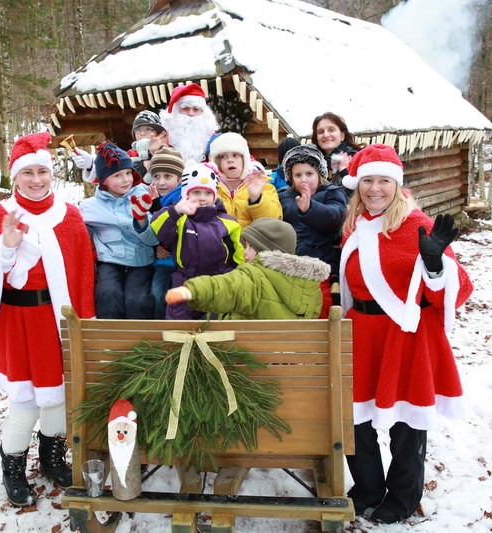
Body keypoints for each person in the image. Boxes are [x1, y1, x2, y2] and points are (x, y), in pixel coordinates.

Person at [0, 132, 96, 508]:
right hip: (17, 322)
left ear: (52, 175)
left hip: (58, 321)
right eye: (27, 173)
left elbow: (84, 270)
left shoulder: (69, 215)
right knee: (26, 400)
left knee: (59, 394)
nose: (36, 180)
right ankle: (13, 465)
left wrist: (84, 320)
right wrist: (4, 247)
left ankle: (52, 458)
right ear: (15, 177)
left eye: (42, 172)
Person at [337, 144, 473, 524]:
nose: (375, 189)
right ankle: (367, 488)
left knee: (405, 425)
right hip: (361, 334)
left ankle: (403, 497)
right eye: (368, 181)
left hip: (404, 336)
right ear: (358, 185)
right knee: (355, 420)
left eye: (384, 181)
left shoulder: (418, 225)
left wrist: (434, 265)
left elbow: (460, 291)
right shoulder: (354, 226)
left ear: (397, 185)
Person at [164, 218, 329, 320]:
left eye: (250, 247)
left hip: (248, 357)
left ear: (265, 252)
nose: (244, 251)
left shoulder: (254, 278)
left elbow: (225, 287)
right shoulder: (310, 287)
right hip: (287, 358)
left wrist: (191, 290)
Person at [150, 162, 243, 319]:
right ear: (186, 194)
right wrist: (176, 211)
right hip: (186, 279)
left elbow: (238, 254)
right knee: (179, 320)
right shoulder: (180, 218)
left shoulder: (228, 222)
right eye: (196, 192)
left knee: (217, 321)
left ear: (214, 195)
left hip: (218, 280)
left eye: (207, 193)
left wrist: (237, 276)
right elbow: (158, 227)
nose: (202, 198)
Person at [79, 142, 158, 319]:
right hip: (110, 262)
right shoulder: (89, 207)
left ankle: (139, 335)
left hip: (140, 261)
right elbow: (78, 234)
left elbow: (153, 240)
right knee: (107, 293)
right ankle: (109, 335)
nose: (126, 179)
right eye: (117, 175)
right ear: (103, 180)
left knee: (137, 299)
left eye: (128, 173)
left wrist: (141, 219)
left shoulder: (143, 195)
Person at [278, 144, 348, 317]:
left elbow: (335, 218)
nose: (304, 179)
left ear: (319, 174)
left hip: (323, 266)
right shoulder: (284, 196)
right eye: (298, 175)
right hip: (293, 265)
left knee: (322, 306)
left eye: (309, 174)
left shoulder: (332, 193)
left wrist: (310, 208)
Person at [208, 132, 282, 228]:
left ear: (244, 159)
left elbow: (274, 221)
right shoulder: (210, 187)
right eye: (224, 156)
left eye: (235, 155)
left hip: (251, 237)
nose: (230, 160)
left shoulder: (261, 184)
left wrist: (256, 199)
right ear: (217, 162)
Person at [144, 145, 185, 319]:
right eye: (156, 176)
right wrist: (155, 247)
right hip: (163, 262)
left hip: (183, 262)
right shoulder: (151, 200)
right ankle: (161, 327)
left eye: (167, 176)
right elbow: (147, 230)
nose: (161, 182)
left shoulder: (184, 200)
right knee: (157, 292)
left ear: (179, 178)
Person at [160, 83, 219, 163]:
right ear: (175, 111)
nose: (191, 113)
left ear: (203, 113)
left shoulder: (214, 139)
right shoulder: (163, 138)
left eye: (196, 109)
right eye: (185, 108)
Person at [312, 112, 363, 188]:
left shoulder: (358, 159)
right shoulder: (313, 163)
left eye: (331, 130)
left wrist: (345, 172)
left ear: (342, 135)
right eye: (321, 132)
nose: (326, 135)